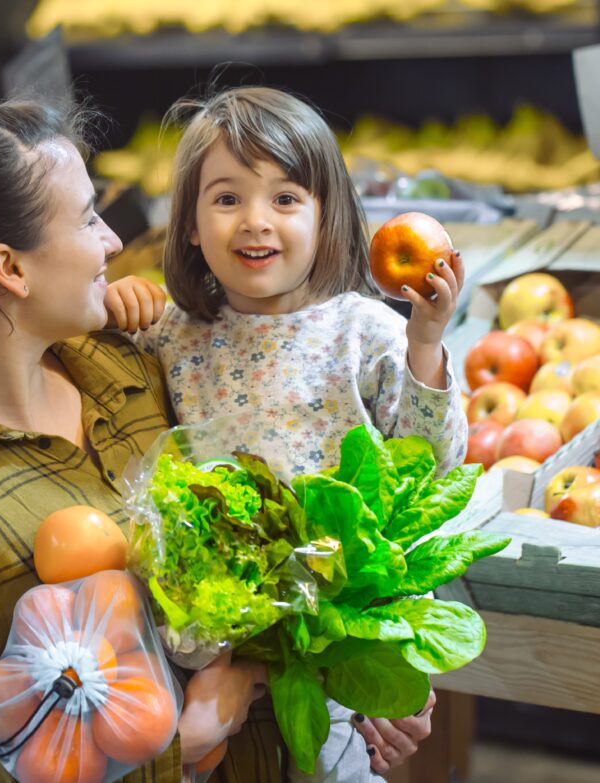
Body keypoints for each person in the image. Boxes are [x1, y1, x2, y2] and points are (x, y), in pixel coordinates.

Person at [0, 100, 274, 783]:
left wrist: (352, 696)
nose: (110, 243)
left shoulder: (128, 370)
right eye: (87, 217)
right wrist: (183, 742)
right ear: (9, 267)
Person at [105, 85, 466, 782]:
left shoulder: (366, 332)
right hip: (214, 639)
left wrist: (425, 342)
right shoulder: (175, 334)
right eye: (227, 198)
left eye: (286, 198)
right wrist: (120, 301)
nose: (255, 222)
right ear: (188, 224)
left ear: (328, 216)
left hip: (331, 626)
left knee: (330, 766)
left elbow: (433, 466)